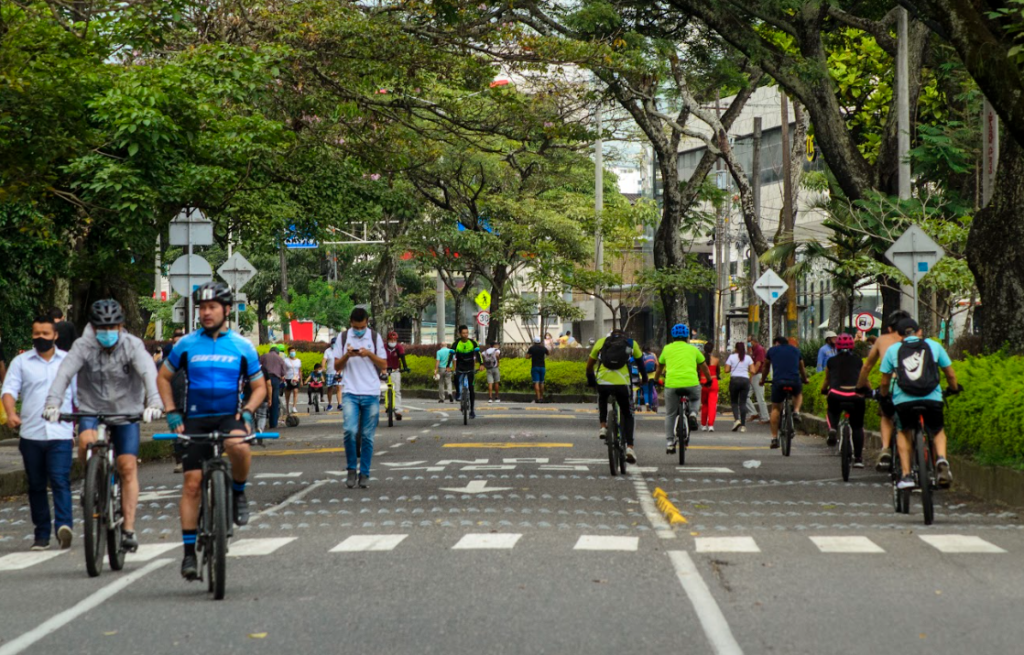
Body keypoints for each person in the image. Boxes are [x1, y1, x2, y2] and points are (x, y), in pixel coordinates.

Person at [157, 282, 266, 580]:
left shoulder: (243, 346)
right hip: (195, 419)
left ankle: (238, 493)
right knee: (192, 483)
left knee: (240, 446)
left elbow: (259, 387)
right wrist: (171, 412)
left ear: (226, 310)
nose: (206, 313)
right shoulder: (186, 344)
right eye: (202, 308)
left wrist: (247, 412)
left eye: (212, 307)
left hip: (230, 416)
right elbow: (164, 378)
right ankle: (189, 554)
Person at [44, 299, 164, 555]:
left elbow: (148, 373)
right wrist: (53, 404)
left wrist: (154, 402)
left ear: (121, 326)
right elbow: (64, 374)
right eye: (101, 327)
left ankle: (129, 529)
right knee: (86, 441)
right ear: (93, 326)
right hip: (91, 409)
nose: (107, 332)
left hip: (126, 411)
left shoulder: (132, 345)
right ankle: (92, 483)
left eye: (112, 326)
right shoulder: (83, 345)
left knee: (127, 466)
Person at [1, 315, 76, 551]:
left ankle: (64, 526)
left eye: (45, 334)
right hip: (31, 433)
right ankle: (41, 534)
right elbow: (9, 390)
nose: (40, 338)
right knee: (35, 485)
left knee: (60, 480)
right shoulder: (21, 362)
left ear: (55, 336)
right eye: (36, 334)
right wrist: (11, 413)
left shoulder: (69, 362)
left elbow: (80, 394)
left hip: (61, 433)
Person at [879, 318, 960, 490]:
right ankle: (941, 459)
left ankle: (907, 475)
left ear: (899, 335)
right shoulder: (934, 346)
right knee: (937, 430)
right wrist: (953, 389)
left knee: (903, 431)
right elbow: (950, 375)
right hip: (932, 398)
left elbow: (885, 382)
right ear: (919, 332)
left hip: (904, 402)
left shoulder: (894, 349)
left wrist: (884, 397)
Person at [332, 307, 386, 489]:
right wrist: (348, 354)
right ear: (350, 323)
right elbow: (336, 365)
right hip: (350, 392)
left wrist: (368, 354)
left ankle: (365, 473)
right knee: (349, 430)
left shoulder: (374, 337)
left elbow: (384, 363)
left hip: (371, 392)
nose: (359, 330)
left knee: (367, 436)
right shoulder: (343, 337)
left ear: (367, 322)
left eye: (362, 327)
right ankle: (350, 470)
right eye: (356, 327)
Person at [857, 310, 910, 471]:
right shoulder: (917, 340)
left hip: (892, 385)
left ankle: (885, 448)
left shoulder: (883, 340)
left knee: (886, 415)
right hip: (916, 385)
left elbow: (867, 366)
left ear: (889, 328)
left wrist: (860, 387)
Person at [587, 328, 646, 464]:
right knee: (628, 413)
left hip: (603, 381)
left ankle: (603, 426)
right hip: (622, 384)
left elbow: (589, 365)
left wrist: (591, 381)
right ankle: (630, 447)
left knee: (602, 398)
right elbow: (641, 364)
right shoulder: (631, 343)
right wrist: (645, 379)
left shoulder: (601, 342)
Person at [656, 324, 712, 452]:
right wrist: (709, 380)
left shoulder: (667, 349)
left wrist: (655, 380)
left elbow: (659, 367)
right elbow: (704, 367)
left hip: (671, 385)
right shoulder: (693, 350)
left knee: (670, 414)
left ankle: (670, 442)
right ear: (687, 337)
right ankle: (692, 413)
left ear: (673, 336)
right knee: (695, 397)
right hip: (691, 383)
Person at [821, 333, 868, 467]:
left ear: (837, 347)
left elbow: (827, 380)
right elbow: (865, 379)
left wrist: (823, 390)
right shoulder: (858, 361)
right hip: (855, 396)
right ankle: (858, 459)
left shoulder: (831, 361)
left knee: (832, 411)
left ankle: (833, 428)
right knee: (858, 427)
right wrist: (868, 391)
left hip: (836, 394)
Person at [761, 335, 810, 449]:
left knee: (776, 408)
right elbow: (801, 368)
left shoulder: (772, 351)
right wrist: (805, 379)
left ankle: (774, 438)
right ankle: (796, 411)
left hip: (778, 382)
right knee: (798, 394)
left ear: (776, 343)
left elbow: (766, 367)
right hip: (794, 381)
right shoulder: (796, 350)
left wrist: (762, 380)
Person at [446, 325, 485, 417]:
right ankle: (458, 393)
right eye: (463, 333)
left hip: (470, 367)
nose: (465, 335)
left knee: (471, 389)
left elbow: (478, 354)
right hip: (460, 367)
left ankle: (472, 410)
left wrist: (481, 364)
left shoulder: (473, 343)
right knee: (455, 377)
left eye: (467, 333)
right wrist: (448, 366)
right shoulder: (455, 344)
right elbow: (451, 355)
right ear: (460, 334)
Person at [723, 342, 756, 432]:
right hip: (745, 381)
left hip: (734, 380)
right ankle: (743, 426)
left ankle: (736, 420)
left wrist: (732, 368)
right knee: (743, 403)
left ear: (736, 349)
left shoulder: (732, 357)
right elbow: (753, 370)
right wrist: (749, 377)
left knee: (734, 402)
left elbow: (726, 370)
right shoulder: (748, 358)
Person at [384, 331, 410, 419]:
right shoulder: (383, 347)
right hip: (384, 371)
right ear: (387, 340)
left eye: (394, 340)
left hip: (395, 371)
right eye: (390, 340)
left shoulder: (399, 347)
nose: (392, 342)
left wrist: (405, 367)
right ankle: (387, 406)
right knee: (384, 390)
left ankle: (398, 410)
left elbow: (402, 357)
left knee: (397, 391)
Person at [260, 344, 287, 428]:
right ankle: (273, 423)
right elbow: (283, 372)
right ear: (278, 352)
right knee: (274, 401)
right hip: (275, 380)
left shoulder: (264, 356)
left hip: (264, 379)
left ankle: (261, 421)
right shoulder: (280, 359)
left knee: (263, 399)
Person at [744, 337, 770, 423]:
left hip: (757, 375)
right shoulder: (754, 350)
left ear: (754, 341)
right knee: (745, 396)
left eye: (749, 341)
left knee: (760, 397)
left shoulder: (759, 349)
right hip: (754, 375)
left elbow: (758, 364)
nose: (748, 343)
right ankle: (753, 413)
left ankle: (765, 417)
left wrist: (752, 374)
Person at [700, 342, 721, 431]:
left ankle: (703, 425)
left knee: (704, 404)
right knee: (712, 405)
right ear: (712, 350)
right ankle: (711, 425)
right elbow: (718, 372)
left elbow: (697, 371)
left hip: (703, 383)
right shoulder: (716, 360)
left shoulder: (700, 360)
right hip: (713, 383)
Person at [526, 336, 549, 402]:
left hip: (535, 367)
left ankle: (538, 398)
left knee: (536, 382)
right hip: (542, 367)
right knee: (542, 382)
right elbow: (548, 353)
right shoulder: (543, 348)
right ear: (539, 341)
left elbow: (527, 357)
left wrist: (531, 355)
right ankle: (541, 397)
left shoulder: (532, 348)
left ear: (534, 342)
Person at [283, 347, 302, 415]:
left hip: (296, 379)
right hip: (288, 378)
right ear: (289, 353)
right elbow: (283, 369)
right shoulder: (286, 360)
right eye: (291, 351)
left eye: (294, 351)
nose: (293, 353)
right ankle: (287, 407)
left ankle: (294, 406)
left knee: (295, 391)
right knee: (287, 394)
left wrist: (301, 380)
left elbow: (300, 370)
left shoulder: (298, 361)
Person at [322, 345, 340, 412]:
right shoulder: (327, 351)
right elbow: (324, 360)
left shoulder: (339, 349)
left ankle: (340, 404)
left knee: (339, 388)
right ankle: (329, 404)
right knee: (330, 388)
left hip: (338, 372)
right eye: (333, 343)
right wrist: (323, 367)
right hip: (329, 372)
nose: (334, 345)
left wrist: (340, 371)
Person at [641, 345, 659, 412]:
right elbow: (657, 364)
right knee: (650, 391)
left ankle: (647, 404)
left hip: (644, 376)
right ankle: (651, 406)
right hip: (652, 375)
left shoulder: (642, 355)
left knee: (645, 391)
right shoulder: (653, 354)